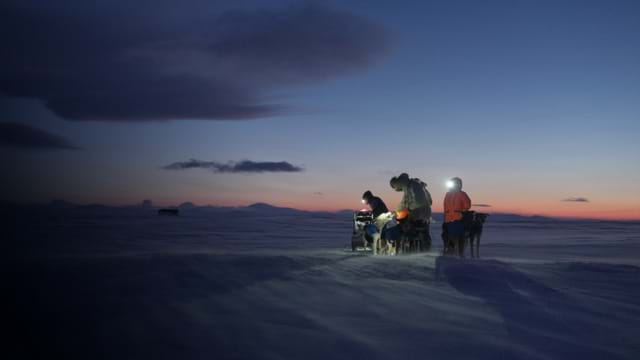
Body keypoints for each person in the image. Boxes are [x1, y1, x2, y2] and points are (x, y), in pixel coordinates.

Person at [390, 173, 432, 252]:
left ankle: (411, 250)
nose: (397, 189)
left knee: (409, 230)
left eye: (395, 187)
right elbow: (404, 202)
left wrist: (413, 211)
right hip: (424, 211)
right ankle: (425, 249)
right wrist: (397, 210)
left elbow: (416, 201)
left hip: (419, 211)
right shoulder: (410, 185)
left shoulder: (412, 185)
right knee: (422, 231)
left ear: (397, 183)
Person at [443, 177, 471, 256]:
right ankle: (451, 252)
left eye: (456, 183)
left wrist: (462, 211)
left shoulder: (461, 194)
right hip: (449, 219)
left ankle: (459, 253)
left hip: (458, 218)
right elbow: (445, 206)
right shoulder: (448, 194)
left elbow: (467, 204)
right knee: (450, 236)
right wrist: (446, 215)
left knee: (458, 236)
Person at [362, 190, 391, 255]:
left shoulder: (374, 200)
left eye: (365, 199)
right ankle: (382, 247)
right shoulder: (374, 200)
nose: (365, 201)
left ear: (368, 197)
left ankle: (383, 248)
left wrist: (372, 215)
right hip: (383, 218)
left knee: (381, 233)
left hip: (383, 218)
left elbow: (377, 210)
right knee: (381, 233)